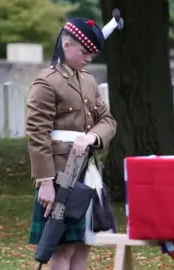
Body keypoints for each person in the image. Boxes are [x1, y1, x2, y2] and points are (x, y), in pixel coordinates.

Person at [25, 16, 119, 270]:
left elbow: (107, 120)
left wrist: (91, 137)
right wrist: (45, 182)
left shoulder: (87, 80)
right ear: (66, 45)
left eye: (91, 53)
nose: (88, 57)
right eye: (84, 51)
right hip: (59, 176)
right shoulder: (46, 82)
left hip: (87, 174)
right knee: (61, 249)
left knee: (82, 246)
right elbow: (37, 134)